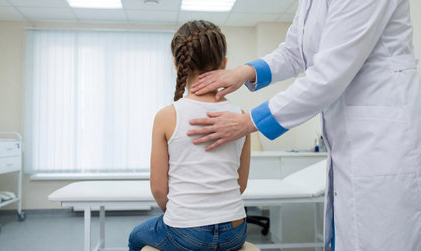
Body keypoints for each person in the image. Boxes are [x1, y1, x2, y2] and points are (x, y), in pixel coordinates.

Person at [187, 0, 421, 250]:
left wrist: (248, 122)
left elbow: (329, 75)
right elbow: (293, 51)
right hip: (353, 140)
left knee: (380, 236)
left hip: (383, 140)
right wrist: (244, 71)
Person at [128, 20, 251, 251]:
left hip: (186, 233)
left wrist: (180, 215)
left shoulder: (166, 116)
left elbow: (158, 189)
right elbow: (240, 184)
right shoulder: (241, 117)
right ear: (224, 64)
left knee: (136, 237)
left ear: (177, 64)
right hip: (235, 230)